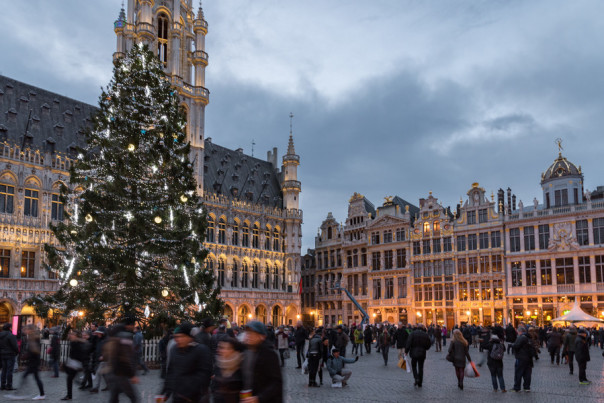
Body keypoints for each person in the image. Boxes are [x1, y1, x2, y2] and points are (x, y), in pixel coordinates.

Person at [161, 322, 212, 402]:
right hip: (178, 397)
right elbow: (171, 372)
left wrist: (186, 387)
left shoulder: (201, 350)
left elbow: (204, 375)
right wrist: (165, 392)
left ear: (190, 337)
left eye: (181, 336)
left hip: (195, 398)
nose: (177, 339)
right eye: (176, 337)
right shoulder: (174, 350)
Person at [241, 320, 283, 403]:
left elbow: (276, 383)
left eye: (252, 333)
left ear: (262, 336)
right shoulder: (246, 350)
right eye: (248, 333)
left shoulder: (269, 354)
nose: (249, 336)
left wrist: (258, 398)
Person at [106, 318, 139, 403]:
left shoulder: (111, 338)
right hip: (121, 373)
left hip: (112, 371)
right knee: (133, 397)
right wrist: (132, 375)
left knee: (114, 397)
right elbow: (126, 357)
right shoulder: (125, 337)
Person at [13, 325, 45, 400]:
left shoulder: (34, 338)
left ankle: (22, 393)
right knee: (33, 378)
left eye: (26, 329)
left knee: (27, 377)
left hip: (34, 362)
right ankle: (41, 394)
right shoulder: (31, 337)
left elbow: (35, 351)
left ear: (30, 330)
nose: (24, 331)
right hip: (33, 362)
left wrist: (27, 356)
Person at [213, 338, 244, 403]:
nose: (218, 350)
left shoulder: (242, 365)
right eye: (219, 347)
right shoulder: (218, 364)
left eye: (222, 348)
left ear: (232, 350)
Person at [62, 330, 87, 401]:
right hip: (72, 361)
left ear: (75, 336)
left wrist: (79, 364)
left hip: (75, 362)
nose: (70, 335)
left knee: (69, 379)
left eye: (72, 335)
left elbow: (80, 353)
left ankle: (69, 396)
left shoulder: (77, 343)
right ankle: (76, 380)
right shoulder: (73, 342)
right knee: (67, 374)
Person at [512, 326, 534, 392]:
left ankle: (517, 387)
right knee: (527, 373)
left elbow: (516, 346)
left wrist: (512, 345)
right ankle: (527, 387)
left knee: (518, 373)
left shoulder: (521, 337)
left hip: (521, 358)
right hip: (529, 358)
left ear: (520, 331)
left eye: (518, 332)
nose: (517, 333)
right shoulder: (529, 337)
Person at [0, 322, 19, 391]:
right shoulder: (11, 335)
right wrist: (16, 352)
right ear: (9, 328)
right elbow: (15, 346)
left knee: (3, 370)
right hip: (10, 354)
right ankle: (9, 385)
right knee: (9, 370)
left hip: (2, 354)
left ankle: (2, 385)